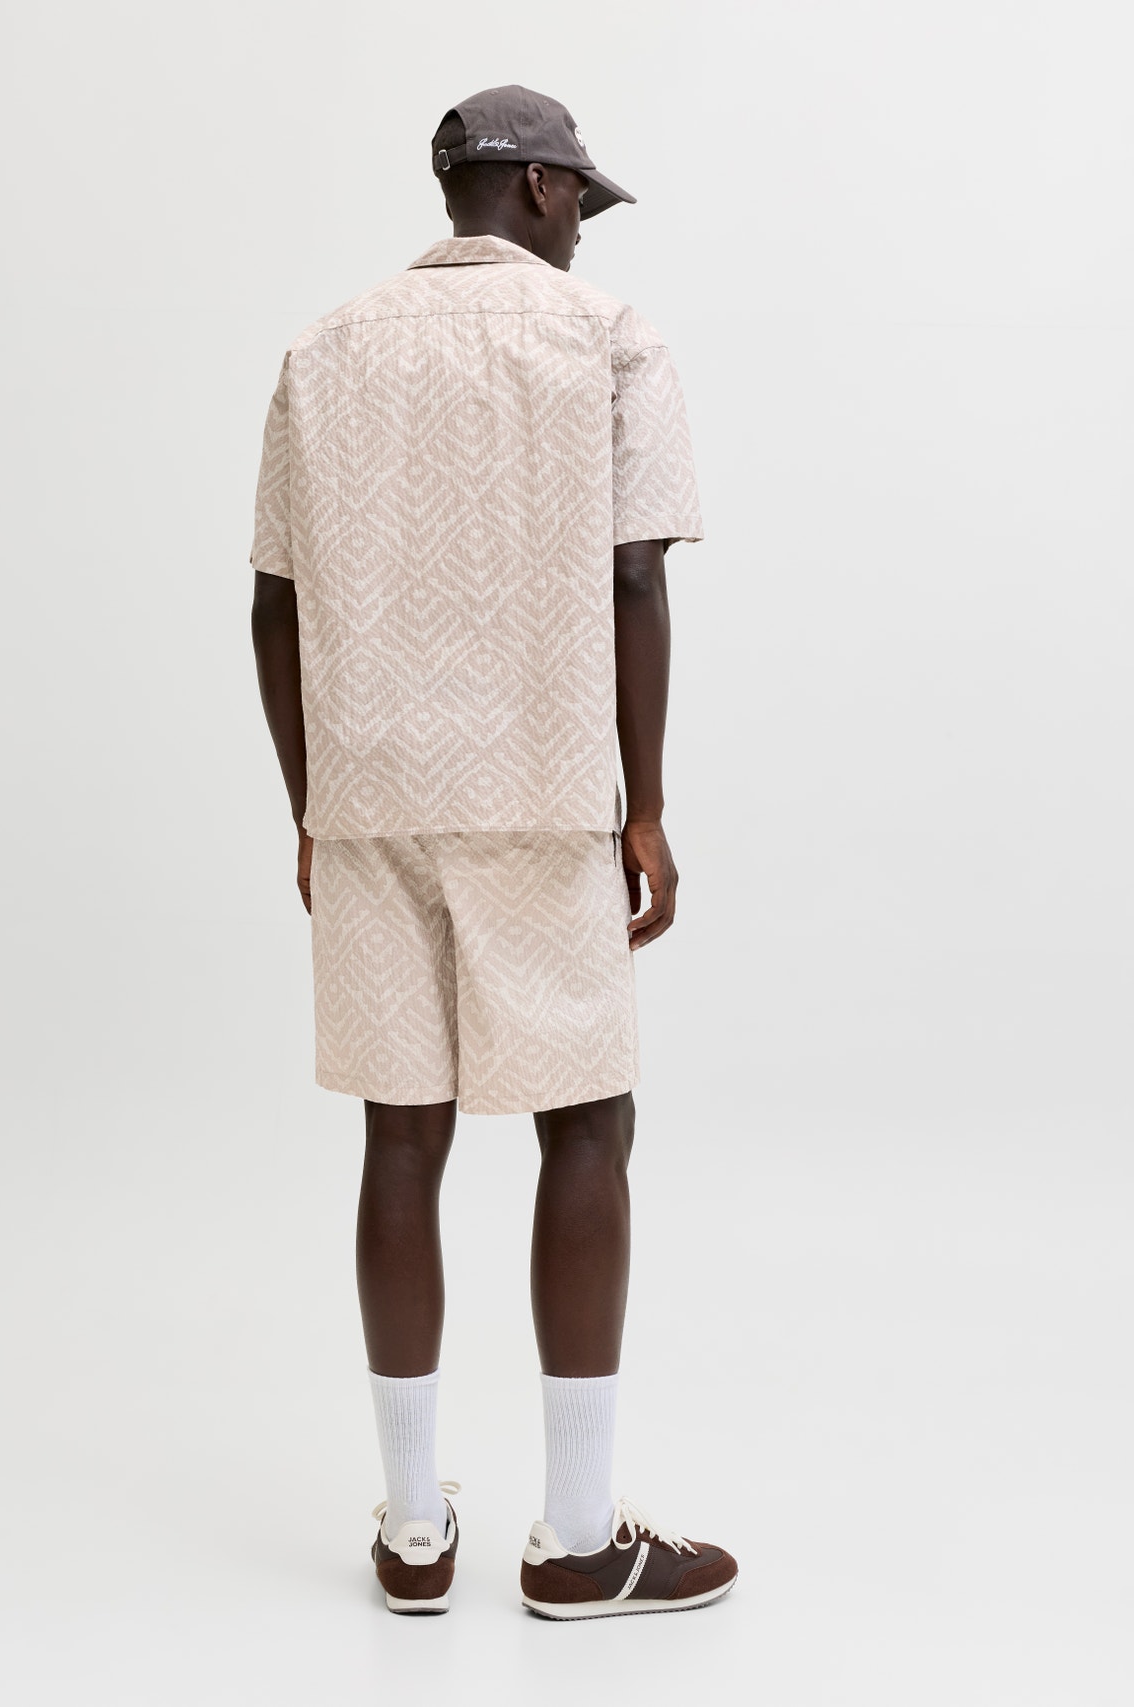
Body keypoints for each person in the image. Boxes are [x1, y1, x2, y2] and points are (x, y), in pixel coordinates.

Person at [250, 84, 738, 1620]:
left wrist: (311, 806)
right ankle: (579, 1540)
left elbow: (272, 605)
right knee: (587, 1125)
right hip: (540, 788)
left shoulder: (323, 349)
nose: (585, 228)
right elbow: (637, 579)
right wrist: (643, 807)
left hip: (373, 798)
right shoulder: (608, 341)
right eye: (580, 199)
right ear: (533, 187)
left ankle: (412, 1534)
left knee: (401, 1141)